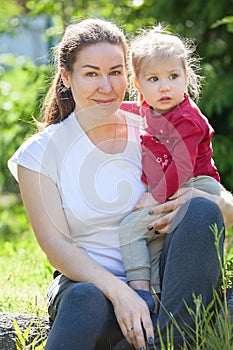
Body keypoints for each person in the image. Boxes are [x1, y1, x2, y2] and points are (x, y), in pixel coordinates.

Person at [7, 18, 233, 350]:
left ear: (130, 76)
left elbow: (226, 209)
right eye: (91, 73)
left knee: (199, 208)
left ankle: (165, 341)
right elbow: (56, 247)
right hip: (92, 288)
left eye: (115, 72)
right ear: (67, 78)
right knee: (85, 297)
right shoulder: (40, 153)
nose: (106, 85)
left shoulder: (155, 125)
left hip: (168, 289)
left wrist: (209, 200)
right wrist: (121, 292)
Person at [119, 24, 221, 313]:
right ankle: (157, 300)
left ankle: (139, 292)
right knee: (152, 243)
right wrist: (109, 109)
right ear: (138, 85)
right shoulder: (155, 109)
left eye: (173, 76)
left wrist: (155, 195)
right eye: (154, 79)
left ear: (186, 77)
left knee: (130, 230)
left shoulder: (187, 118)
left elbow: (183, 164)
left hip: (196, 185)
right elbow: (136, 111)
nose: (165, 86)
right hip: (175, 185)